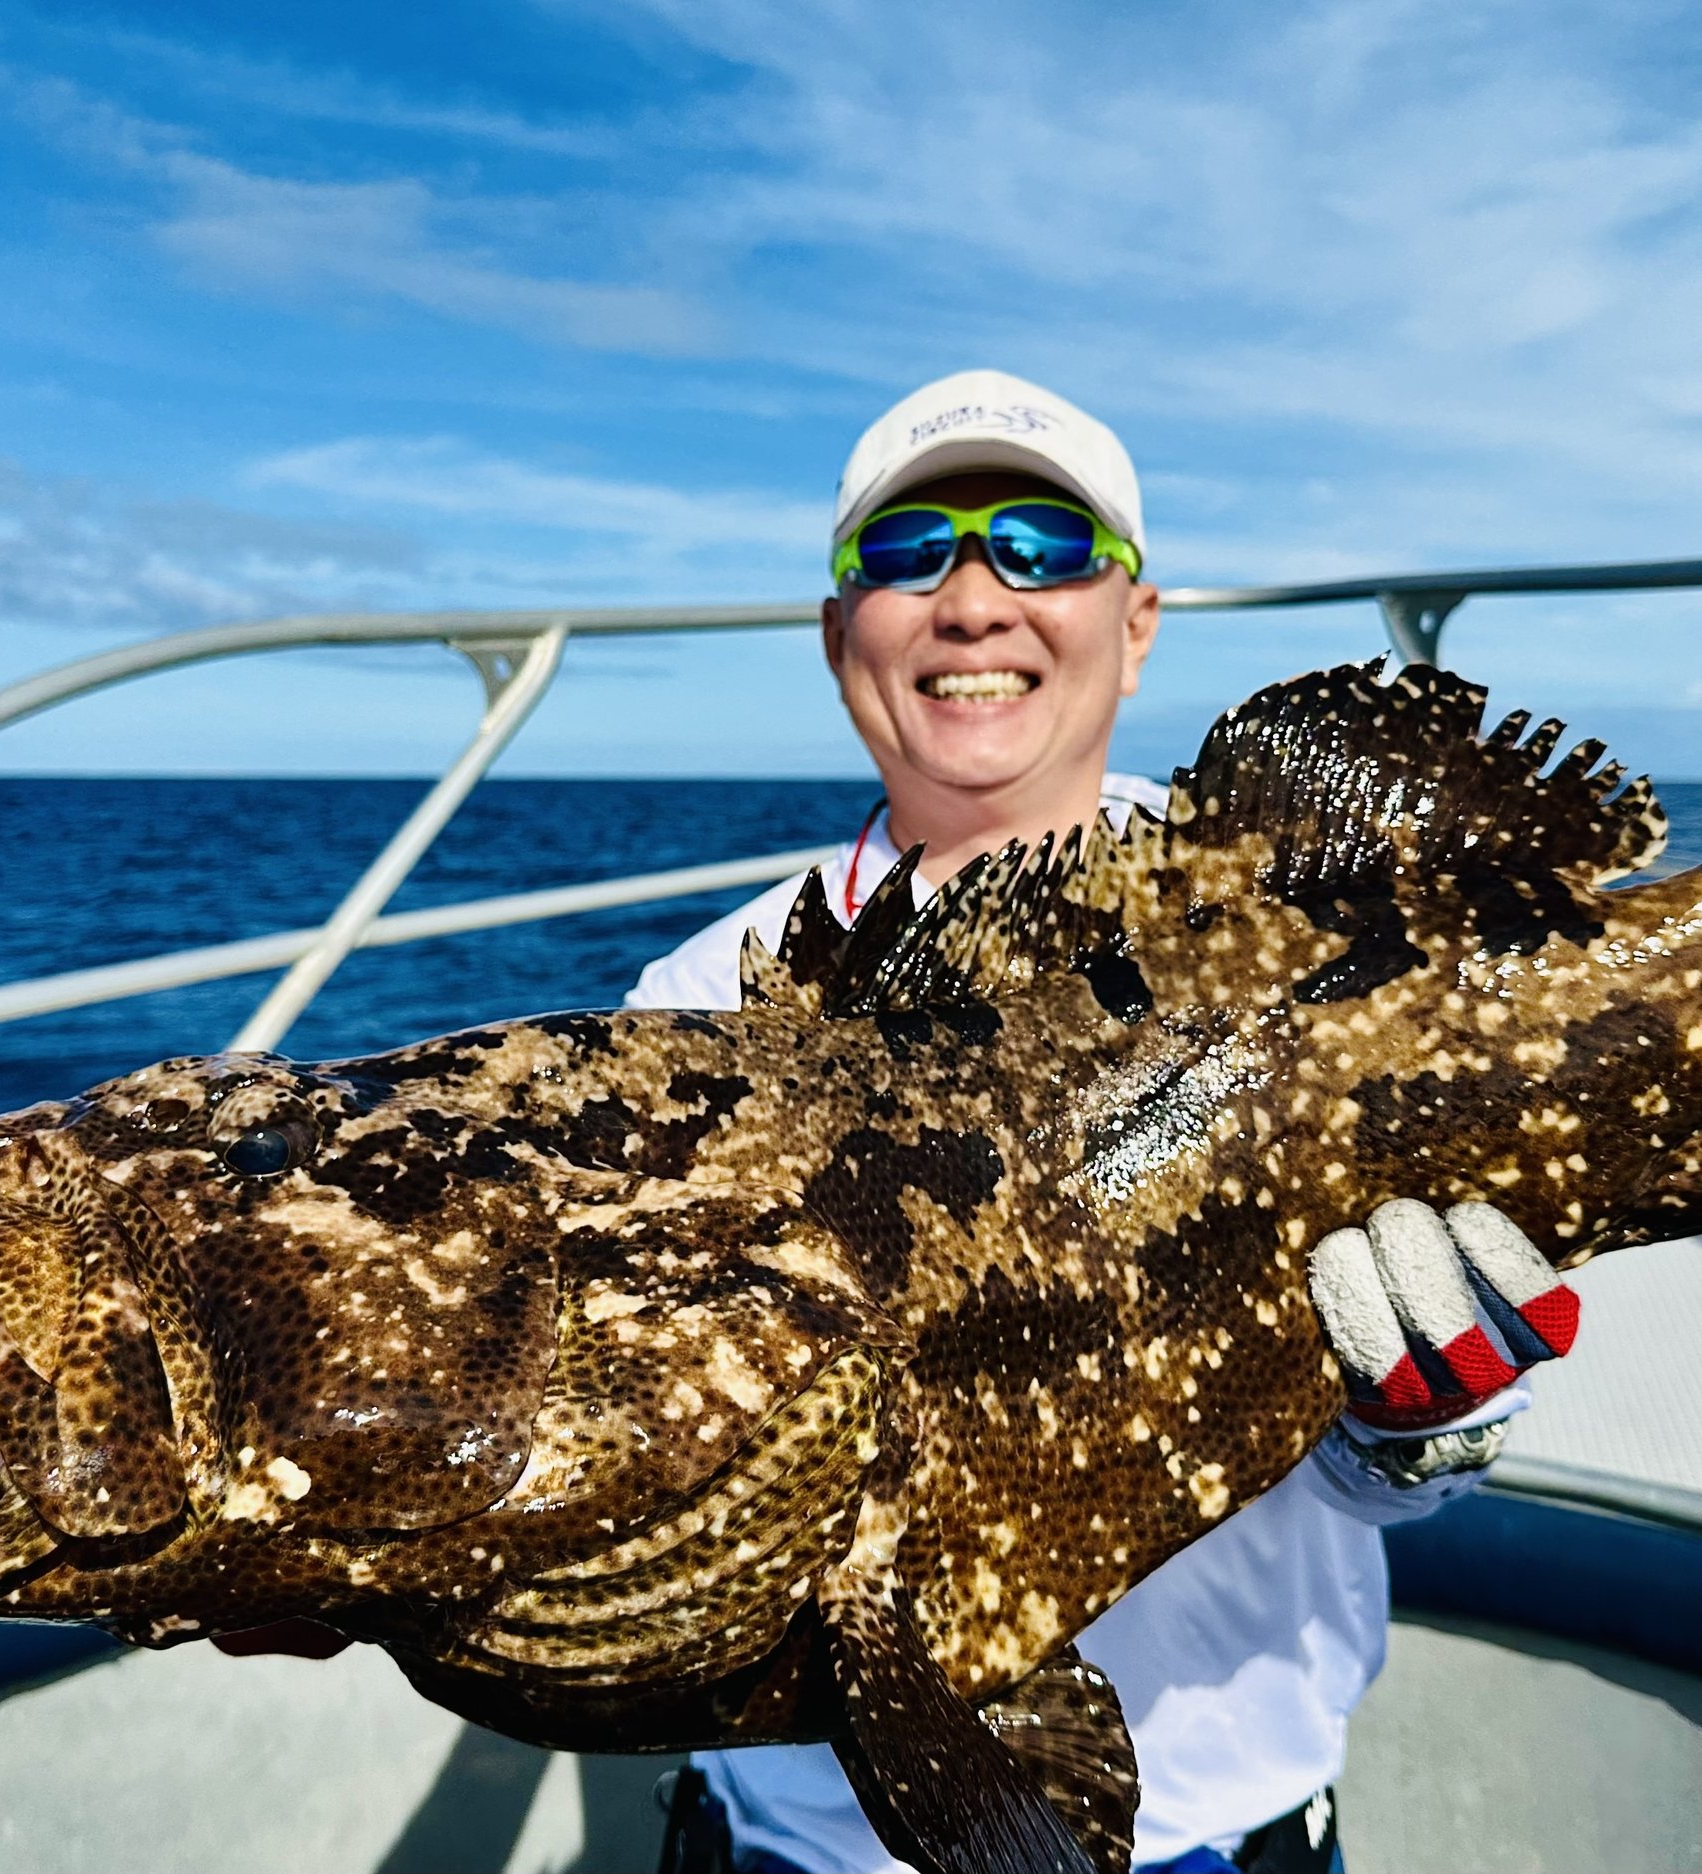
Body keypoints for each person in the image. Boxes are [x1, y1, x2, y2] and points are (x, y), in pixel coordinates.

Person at [635, 370, 1583, 1874]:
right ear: (839, 637)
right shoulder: (694, 1007)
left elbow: (1389, 1451)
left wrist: (1422, 1420)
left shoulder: (1314, 944)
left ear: (1135, 625)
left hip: (1217, 1832)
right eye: (904, 553)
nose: (969, 598)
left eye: (1039, 542)